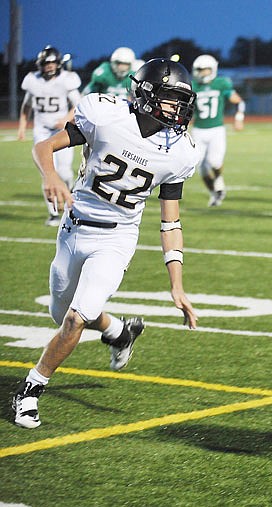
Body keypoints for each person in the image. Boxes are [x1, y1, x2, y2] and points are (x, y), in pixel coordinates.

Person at [11, 58, 201, 429]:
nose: (178, 108)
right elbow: (45, 147)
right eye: (171, 99)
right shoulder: (106, 116)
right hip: (74, 226)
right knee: (62, 312)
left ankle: (30, 389)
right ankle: (118, 332)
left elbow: (171, 221)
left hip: (116, 237)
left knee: (74, 319)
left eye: (183, 101)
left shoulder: (180, 151)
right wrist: (51, 176)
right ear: (146, 94)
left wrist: (176, 285)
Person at [17, 46, 82, 226]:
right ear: (40, 65)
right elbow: (26, 106)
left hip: (61, 131)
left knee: (65, 171)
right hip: (41, 130)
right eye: (46, 63)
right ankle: (53, 213)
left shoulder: (66, 80)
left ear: (59, 64)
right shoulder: (33, 81)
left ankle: (70, 198)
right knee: (47, 174)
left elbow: (79, 105)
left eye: (53, 63)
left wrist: (66, 119)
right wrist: (22, 127)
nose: (50, 66)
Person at [190, 54, 245, 207]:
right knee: (199, 166)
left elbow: (239, 102)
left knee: (214, 162)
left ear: (213, 70)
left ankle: (219, 179)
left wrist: (239, 119)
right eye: (200, 70)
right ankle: (214, 193)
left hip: (216, 130)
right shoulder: (193, 86)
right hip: (198, 131)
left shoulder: (221, 83)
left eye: (206, 70)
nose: (203, 73)